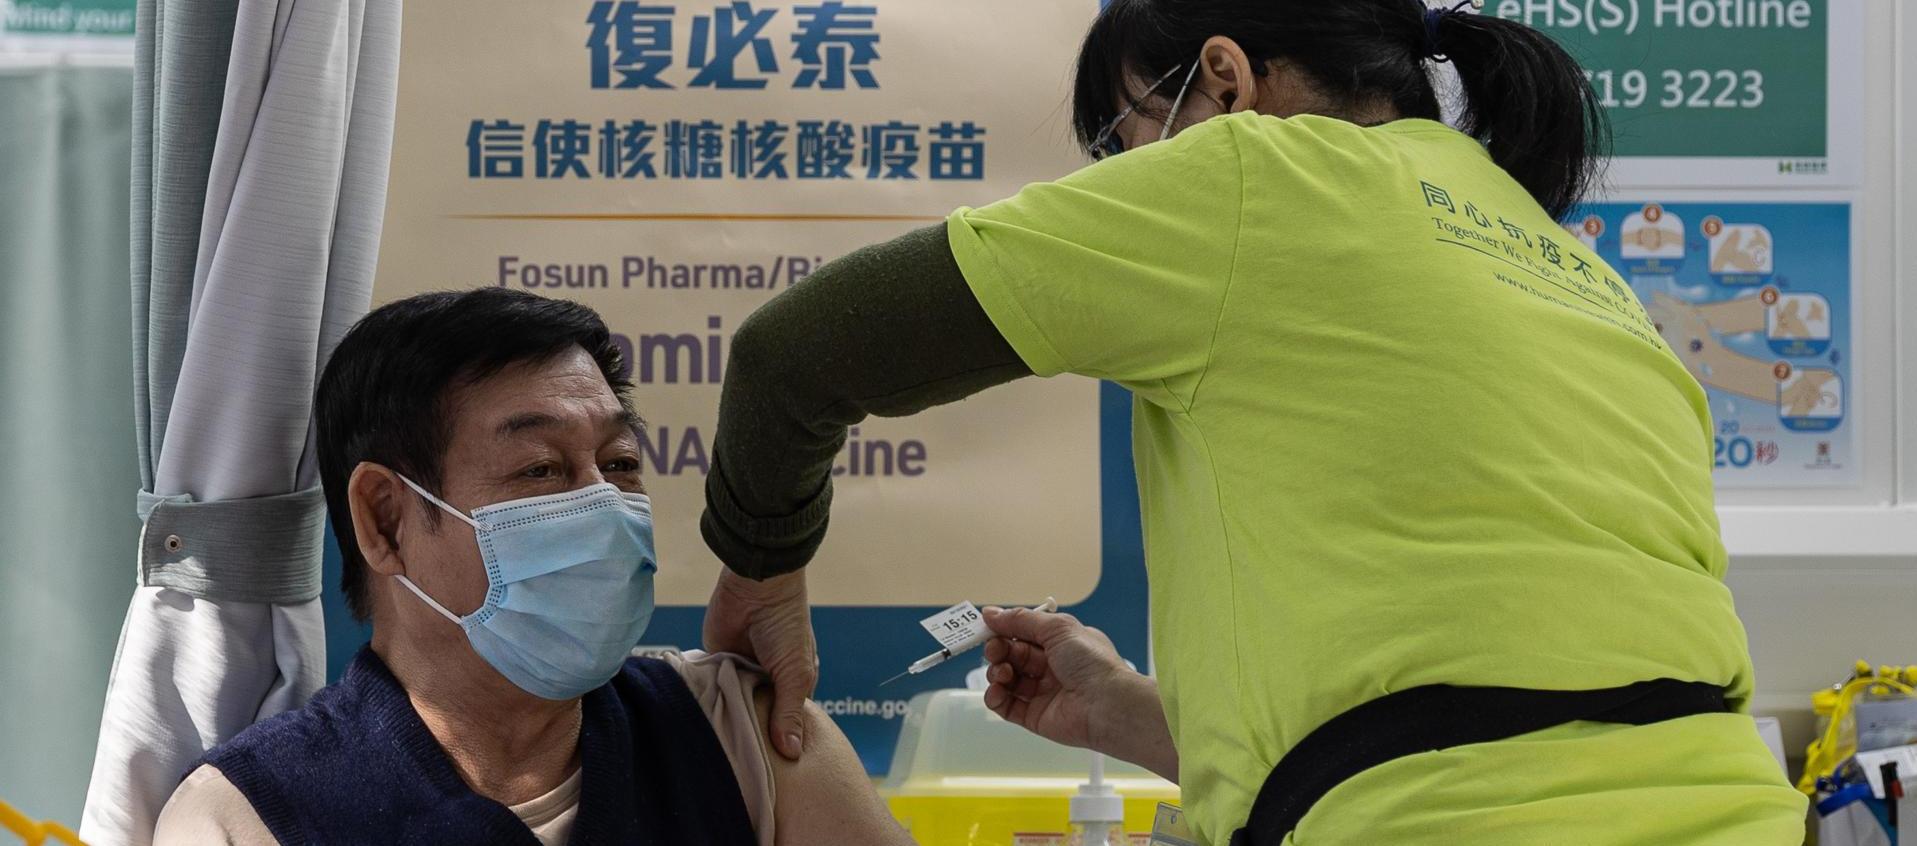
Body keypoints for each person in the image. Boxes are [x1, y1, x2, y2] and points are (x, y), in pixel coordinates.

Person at [694, 0, 1808, 843]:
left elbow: (795, 354)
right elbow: (1507, 689)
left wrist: (762, 580)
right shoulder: (1578, 271)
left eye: (1125, 139)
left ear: (1222, 82)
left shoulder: (1255, 172)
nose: (1124, 181)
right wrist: (1132, 716)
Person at [151, 289, 911, 845]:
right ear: (385, 519)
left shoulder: (738, 734)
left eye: (618, 462)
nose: (603, 507)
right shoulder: (248, 818)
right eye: (541, 470)